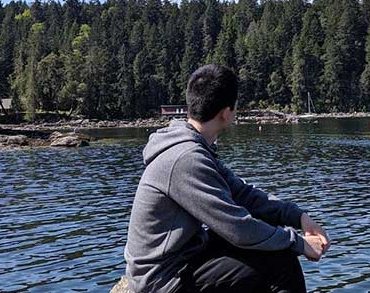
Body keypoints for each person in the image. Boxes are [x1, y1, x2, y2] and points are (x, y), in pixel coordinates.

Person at [123, 64, 330, 293]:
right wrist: (299, 243)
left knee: (270, 229)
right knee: (282, 262)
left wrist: (299, 217)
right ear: (226, 112)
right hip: (162, 279)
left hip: (183, 256)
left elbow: (243, 194)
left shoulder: (193, 146)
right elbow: (237, 228)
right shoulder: (185, 158)